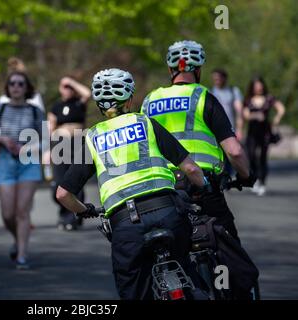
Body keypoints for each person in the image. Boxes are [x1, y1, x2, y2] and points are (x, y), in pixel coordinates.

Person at [56, 68, 207, 300]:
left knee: (134, 291)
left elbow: (63, 194)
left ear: (99, 103)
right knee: (186, 266)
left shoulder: (93, 137)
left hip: (126, 224)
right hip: (168, 212)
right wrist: (203, 187)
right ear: (129, 98)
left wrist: (85, 210)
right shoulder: (146, 123)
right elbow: (190, 168)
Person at [141, 40, 257, 298]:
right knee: (228, 250)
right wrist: (247, 176)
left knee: (170, 250)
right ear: (199, 69)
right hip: (202, 185)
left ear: (171, 69)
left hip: (164, 189)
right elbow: (234, 151)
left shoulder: (149, 101)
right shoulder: (202, 96)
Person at [0, 71, 45, 270]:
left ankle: (22, 256)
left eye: (20, 84)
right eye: (12, 84)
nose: (16, 87)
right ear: (7, 87)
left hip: (29, 162)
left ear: (27, 88)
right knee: (8, 214)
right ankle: (18, 240)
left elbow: (47, 141)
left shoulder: (35, 112)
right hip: (5, 163)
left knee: (22, 212)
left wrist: (26, 148)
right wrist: (0, 139)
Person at [48, 76, 91, 230]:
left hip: (77, 144)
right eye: (64, 87)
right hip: (59, 145)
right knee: (58, 183)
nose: (67, 89)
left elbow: (87, 93)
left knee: (74, 181)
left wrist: (70, 81)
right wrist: (47, 150)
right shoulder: (56, 106)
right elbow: (50, 127)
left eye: (70, 87)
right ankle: (64, 214)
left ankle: (74, 217)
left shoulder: (79, 103)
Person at [243, 76, 285, 196]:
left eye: (260, 86)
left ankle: (262, 182)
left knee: (263, 157)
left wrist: (276, 119)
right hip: (252, 133)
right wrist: (255, 116)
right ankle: (255, 180)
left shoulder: (269, 98)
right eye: (256, 87)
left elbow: (281, 109)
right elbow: (245, 115)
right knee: (251, 156)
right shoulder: (248, 99)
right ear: (253, 87)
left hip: (265, 133)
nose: (259, 89)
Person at [210, 69, 244, 140]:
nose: (216, 81)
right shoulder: (210, 93)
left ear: (224, 78)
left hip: (231, 130)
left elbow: (239, 112)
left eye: (218, 79)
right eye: (215, 79)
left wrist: (239, 129)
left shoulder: (233, 91)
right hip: (214, 131)